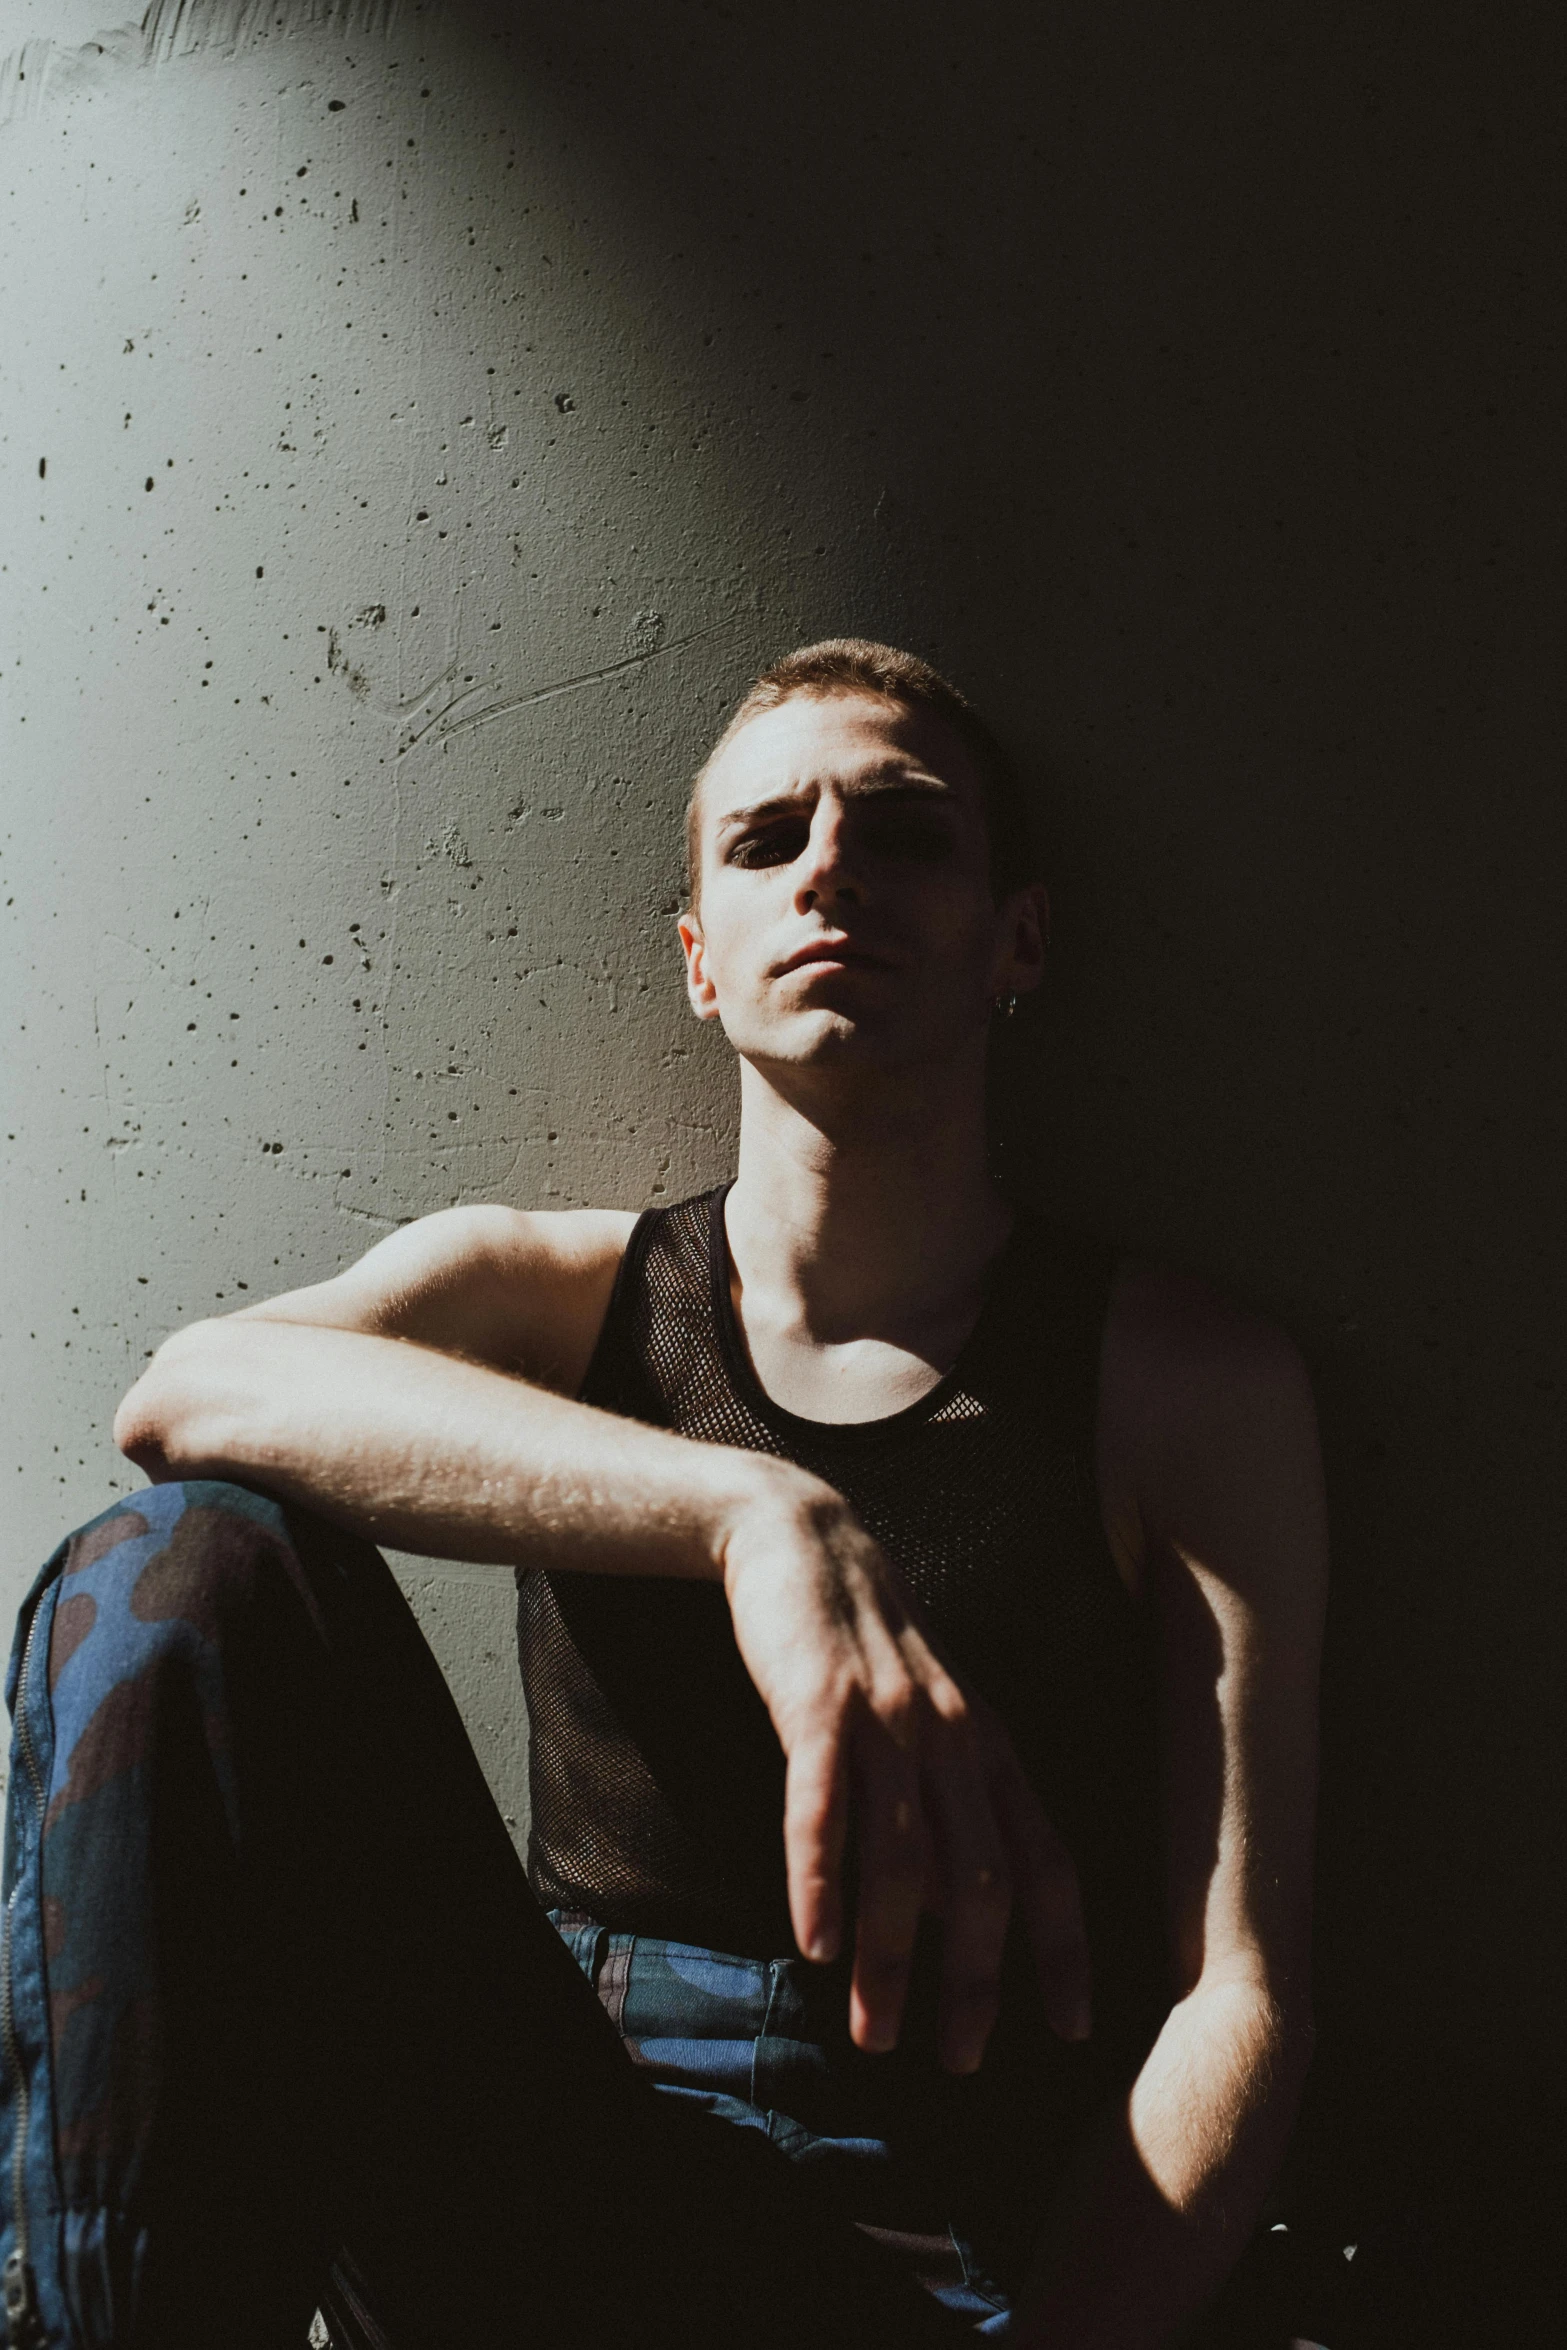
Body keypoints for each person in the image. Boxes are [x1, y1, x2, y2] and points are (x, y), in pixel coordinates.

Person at [1, 640, 1327, 2349]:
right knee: (182, 1570)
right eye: (768, 838)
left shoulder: (1180, 1381)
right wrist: (752, 1515)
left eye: (907, 830)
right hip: (553, 2188)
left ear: (1021, 939)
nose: (831, 864)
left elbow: (1241, 1988)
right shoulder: (555, 1294)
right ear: (701, 962)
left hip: (907, 2255)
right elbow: (186, 1395)